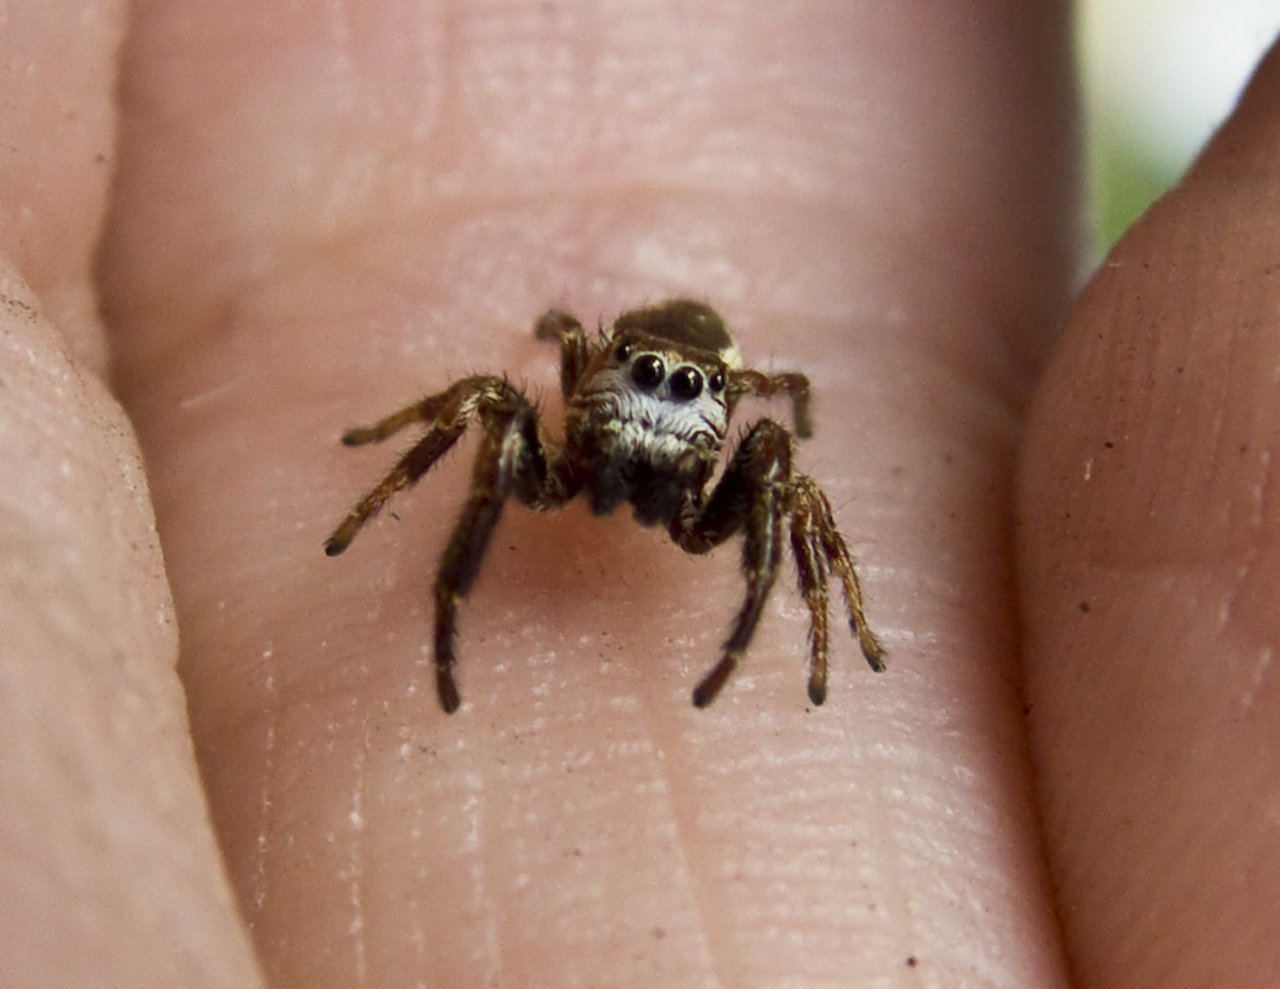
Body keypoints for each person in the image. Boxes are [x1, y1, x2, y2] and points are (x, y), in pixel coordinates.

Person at [3, 5, 1277, 986]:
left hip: (714, 438)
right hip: (600, 417)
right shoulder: (571, 394)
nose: (660, 393)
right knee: (483, 410)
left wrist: (818, 619)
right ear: (598, 365)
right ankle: (445, 584)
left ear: (728, 393)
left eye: (688, 388)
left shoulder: (739, 443)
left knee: (792, 490)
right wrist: (396, 478)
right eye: (634, 372)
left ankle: (798, 625)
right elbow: (510, 376)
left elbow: (789, 465)